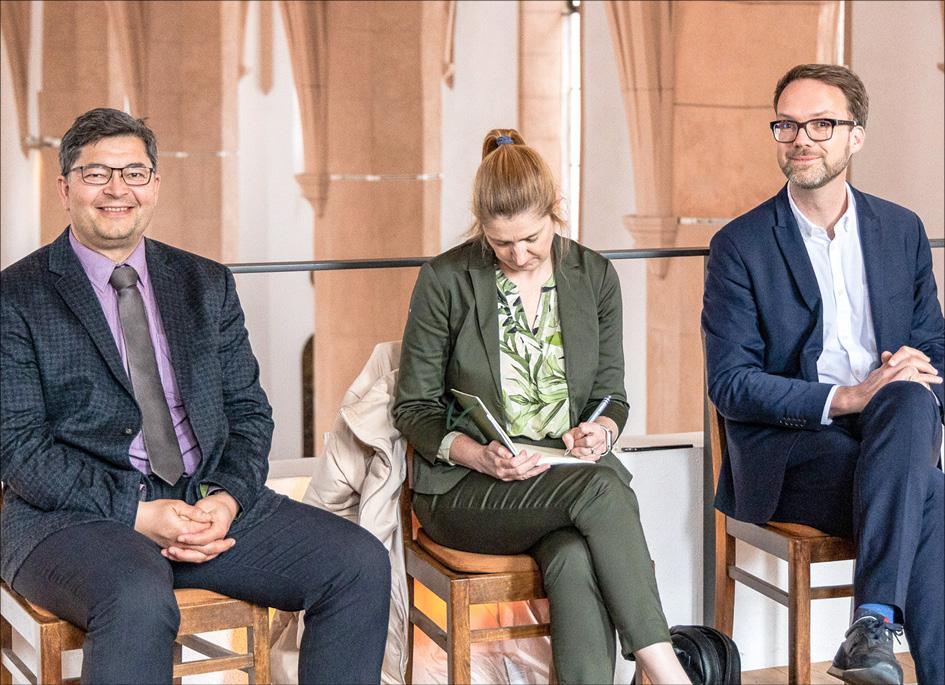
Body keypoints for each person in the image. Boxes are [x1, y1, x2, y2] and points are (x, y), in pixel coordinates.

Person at [0, 108, 391, 684]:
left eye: (133, 173)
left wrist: (227, 499)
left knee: (358, 563)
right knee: (136, 597)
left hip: (203, 501)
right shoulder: (16, 295)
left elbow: (249, 413)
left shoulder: (205, 282)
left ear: (155, 185)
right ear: (64, 187)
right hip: (72, 519)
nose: (116, 190)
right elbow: (19, 448)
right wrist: (136, 513)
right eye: (95, 174)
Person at [393, 129, 689, 685]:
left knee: (574, 558)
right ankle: (667, 671)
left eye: (531, 238)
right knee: (603, 488)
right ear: (481, 227)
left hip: (560, 482)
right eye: (501, 243)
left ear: (555, 212)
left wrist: (600, 431)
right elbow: (413, 409)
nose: (519, 254)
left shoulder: (594, 277)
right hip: (466, 492)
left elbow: (613, 396)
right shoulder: (446, 280)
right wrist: (480, 456)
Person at [702, 64, 943, 685]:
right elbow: (730, 383)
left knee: (913, 401)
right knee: (933, 498)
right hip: (793, 453)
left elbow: (935, 349)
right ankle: (878, 626)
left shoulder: (902, 230)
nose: (801, 138)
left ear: (855, 136)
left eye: (821, 124)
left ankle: (871, 627)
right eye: (787, 124)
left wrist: (914, 372)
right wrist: (846, 396)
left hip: (891, 435)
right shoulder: (741, 245)